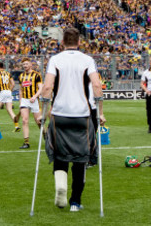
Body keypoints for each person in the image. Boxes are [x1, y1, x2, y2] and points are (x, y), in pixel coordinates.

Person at [39, 27, 105, 212]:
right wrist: (99, 110)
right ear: (79, 42)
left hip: (59, 114)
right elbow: (97, 85)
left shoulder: (55, 59)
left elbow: (47, 87)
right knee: (80, 157)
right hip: (82, 115)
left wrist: (43, 114)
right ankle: (75, 201)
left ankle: (61, 184)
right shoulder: (87, 60)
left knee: (60, 153)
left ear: (62, 42)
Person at [17, 58, 43, 149]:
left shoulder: (37, 75)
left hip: (34, 100)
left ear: (31, 65)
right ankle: (26, 142)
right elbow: (20, 89)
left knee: (39, 122)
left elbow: (41, 88)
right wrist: (20, 102)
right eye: (23, 64)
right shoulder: (21, 76)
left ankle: (46, 136)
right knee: (24, 120)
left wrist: (35, 96)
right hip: (25, 100)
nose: (25, 66)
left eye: (26, 64)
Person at [0, 61, 19, 131]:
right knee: (10, 110)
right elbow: (13, 84)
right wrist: (10, 91)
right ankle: (17, 126)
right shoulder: (8, 73)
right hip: (8, 91)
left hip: (1, 92)